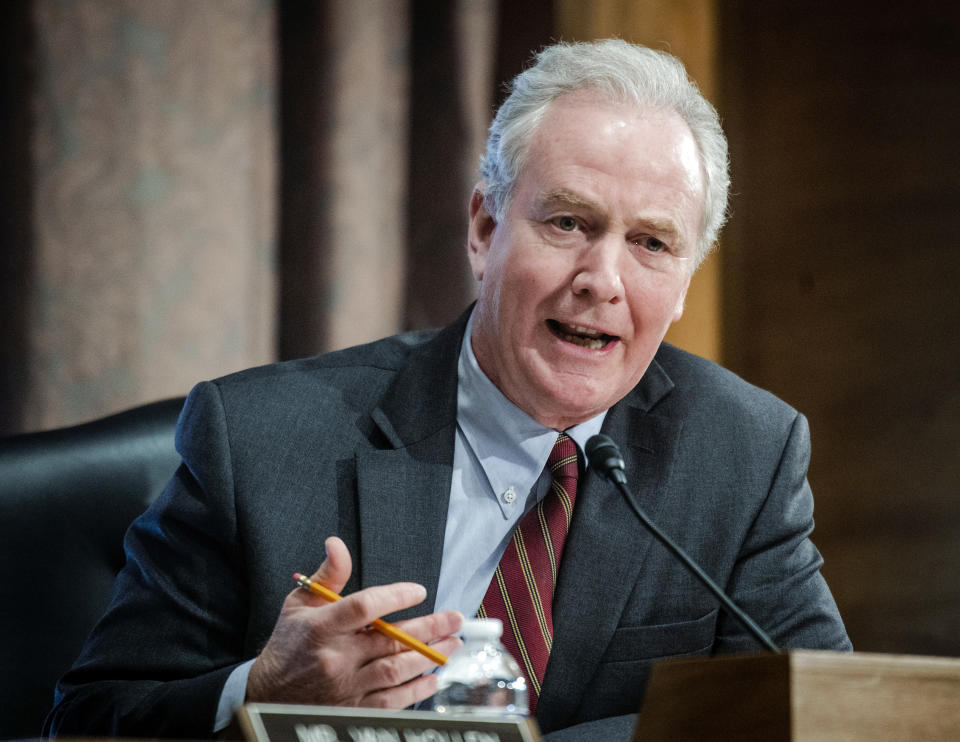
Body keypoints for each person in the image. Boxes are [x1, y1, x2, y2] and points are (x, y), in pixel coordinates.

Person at [46, 39, 850, 741]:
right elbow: (87, 720)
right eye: (567, 223)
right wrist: (258, 696)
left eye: (650, 243)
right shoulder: (256, 440)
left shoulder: (744, 453)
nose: (601, 280)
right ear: (483, 229)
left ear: (683, 285)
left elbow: (824, 719)